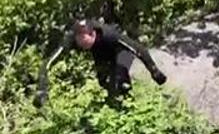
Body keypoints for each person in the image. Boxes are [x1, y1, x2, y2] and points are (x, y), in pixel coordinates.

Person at [36, 19, 167, 106]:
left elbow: (138, 49)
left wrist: (154, 71)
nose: (81, 45)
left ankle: (129, 107)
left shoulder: (109, 34)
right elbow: (47, 64)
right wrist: (41, 89)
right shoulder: (71, 39)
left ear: (92, 34)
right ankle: (112, 106)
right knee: (103, 81)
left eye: (84, 42)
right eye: (79, 42)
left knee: (119, 82)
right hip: (100, 53)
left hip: (121, 51)